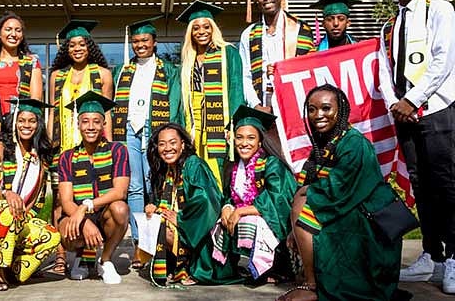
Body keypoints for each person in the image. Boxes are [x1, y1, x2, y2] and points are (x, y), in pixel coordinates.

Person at [278, 84, 401, 301]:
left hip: (366, 215)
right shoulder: (325, 143)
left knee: (302, 202)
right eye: (312, 109)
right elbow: (312, 180)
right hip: (343, 206)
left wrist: (308, 192)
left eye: (326, 108)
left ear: (341, 110)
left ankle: (311, 284)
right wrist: (294, 231)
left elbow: (343, 187)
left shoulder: (354, 143)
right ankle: (312, 278)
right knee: (300, 202)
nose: (318, 115)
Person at [377, 0, 455, 293]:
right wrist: (396, 104)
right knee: (420, 186)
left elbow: (443, 59)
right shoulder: (390, 24)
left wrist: (413, 99)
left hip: (437, 110)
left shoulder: (439, 9)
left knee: (446, 183)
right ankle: (431, 255)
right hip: (406, 116)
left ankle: (453, 256)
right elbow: (384, 68)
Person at [111, 16, 183, 268]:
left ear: (154, 43)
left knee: (156, 183)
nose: (140, 45)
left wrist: (169, 135)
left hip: (154, 130)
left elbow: (174, 103)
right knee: (134, 188)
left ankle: (159, 241)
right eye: (136, 41)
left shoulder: (168, 69)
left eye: (145, 40)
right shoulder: (122, 70)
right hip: (129, 130)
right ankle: (140, 245)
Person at [0, 98, 61, 291]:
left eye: (32, 121)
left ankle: (14, 270)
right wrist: (7, 194)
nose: (26, 125)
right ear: (14, 122)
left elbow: (39, 197)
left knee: (51, 236)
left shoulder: (41, 156)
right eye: (21, 120)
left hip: (22, 216)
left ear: (38, 124)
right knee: (8, 212)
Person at [211, 105, 297, 281]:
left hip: (268, 219)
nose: (244, 143)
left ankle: (272, 267)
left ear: (259, 142)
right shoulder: (232, 166)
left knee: (249, 222)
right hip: (244, 212)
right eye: (239, 137)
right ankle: (231, 268)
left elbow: (278, 199)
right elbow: (230, 196)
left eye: (251, 138)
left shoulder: (271, 163)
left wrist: (242, 211)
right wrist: (227, 207)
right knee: (219, 222)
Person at [145, 123, 236, 286]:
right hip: (186, 227)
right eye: (162, 144)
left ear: (183, 145)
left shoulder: (193, 165)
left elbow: (205, 202)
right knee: (154, 223)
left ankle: (191, 267)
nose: (167, 148)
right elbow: (165, 203)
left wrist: (180, 219)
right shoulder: (165, 170)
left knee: (163, 229)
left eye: (173, 143)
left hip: (206, 232)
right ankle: (178, 265)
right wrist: (154, 207)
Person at [57, 91, 130, 284]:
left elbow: (120, 191)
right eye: (86, 121)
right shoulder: (67, 157)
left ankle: (104, 260)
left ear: (104, 124)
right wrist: (85, 221)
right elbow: (66, 200)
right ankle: (81, 257)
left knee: (121, 208)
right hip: (79, 217)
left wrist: (86, 207)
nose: (91, 127)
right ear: (78, 124)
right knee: (65, 228)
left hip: (104, 214)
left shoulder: (117, 150)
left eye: (96, 121)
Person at [176, 0, 245, 188]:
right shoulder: (187, 61)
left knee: (219, 167)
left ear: (213, 28)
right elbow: (184, 101)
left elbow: (236, 89)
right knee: (196, 166)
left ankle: (221, 207)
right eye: (196, 28)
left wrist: (233, 125)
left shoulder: (228, 53)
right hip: (195, 125)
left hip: (219, 121)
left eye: (206, 27)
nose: (201, 32)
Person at [240, 0, 315, 110]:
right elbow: (245, 75)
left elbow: (311, 69)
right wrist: (256, 105)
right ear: (257, 0)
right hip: (263, 107)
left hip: (296, 104)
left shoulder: (300, 29)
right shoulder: (248, 34)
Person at [48, 19, 114, 153]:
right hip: (63, 141)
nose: (77, 49)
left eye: (82, 44)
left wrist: (109, 144)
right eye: (72, 45)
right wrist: (50, 144)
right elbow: (52, 112)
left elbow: (106, 112)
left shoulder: (103, 74)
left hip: (92, 139)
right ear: (67, 49)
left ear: (89, 47)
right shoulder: (57, 76)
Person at [0, 11, 43, 139]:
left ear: (22, 36)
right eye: (8, 29)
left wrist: (22, 124)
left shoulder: (32, 63)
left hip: (22, 126)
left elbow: (35, 100)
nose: (13, 34)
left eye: (18, 30)